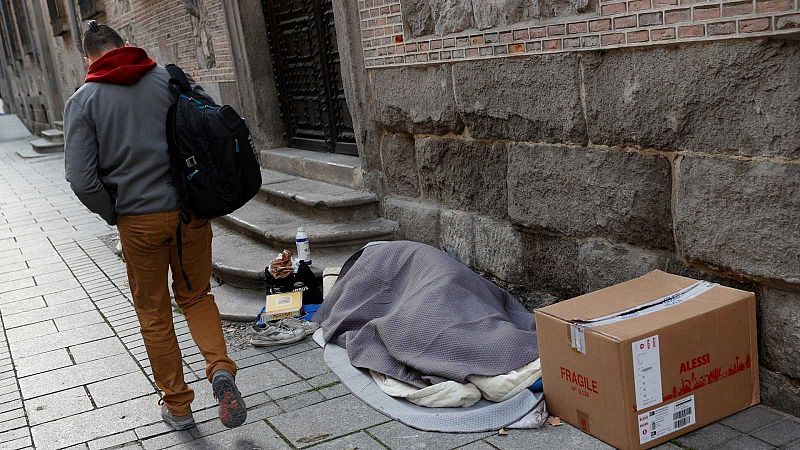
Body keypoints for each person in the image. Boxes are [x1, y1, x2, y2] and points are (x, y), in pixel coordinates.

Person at [63, 21, 246, 430]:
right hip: (190, 212)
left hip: (138, 221)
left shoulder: (84, 101)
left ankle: (179, 406)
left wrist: (114, 211)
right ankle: (220, 368)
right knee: (197, 295)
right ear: (125, 45)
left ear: (87, 57)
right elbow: (210, 126)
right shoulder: (169, 78)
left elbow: (80, 178)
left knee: (154, 312)